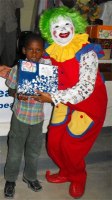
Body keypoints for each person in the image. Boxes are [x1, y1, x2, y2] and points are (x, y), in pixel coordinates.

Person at [35, 6, 108, 199]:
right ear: (49, 31)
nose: (63, 29)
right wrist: (12, 72)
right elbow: (37, 75)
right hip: (64, 100)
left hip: (89, 104)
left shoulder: (86, 52)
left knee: (70, 145)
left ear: (75, 26)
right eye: (56, 26)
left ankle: (78, 176)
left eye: (67, 23)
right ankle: (66, 171)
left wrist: (53, 97)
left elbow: (85, 89)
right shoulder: (50, 52)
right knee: (53, 143)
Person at [4, 33, 48, 199]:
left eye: (38, 50)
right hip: (20, 117)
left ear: (43, 51)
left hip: (37, 119)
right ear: (24, 51)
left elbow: (50, 91)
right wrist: (17, 94)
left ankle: (30, 177)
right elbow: (10, 88)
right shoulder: (17, 68)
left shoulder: (46, 70)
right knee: (15, 151)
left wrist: (47, 94)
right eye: (30, 49)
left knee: (33, 152)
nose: (34, 53)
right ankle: (10, 180)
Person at [0, 0, 24, 67]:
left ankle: (6, 74)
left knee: (10, 56)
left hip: (11, 27)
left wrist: (18, 28)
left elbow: (17, 9)